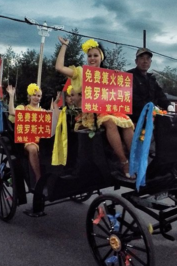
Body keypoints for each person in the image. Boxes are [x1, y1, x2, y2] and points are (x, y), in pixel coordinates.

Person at [55, 37, 135, 179]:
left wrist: (118, 78)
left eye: (95, 55)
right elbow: (59, 68)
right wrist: (64, 46)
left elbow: (118, 95)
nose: (92, 59)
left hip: (108, 110)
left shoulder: (107, 75)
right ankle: (124, 162)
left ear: (101, 57)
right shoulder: (80, 72)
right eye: (89, 56)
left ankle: (135, 158)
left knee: (128, 123)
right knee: (110, 121)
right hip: (89, 115)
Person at [7, 83, 51, 183]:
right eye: (34, 95)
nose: (36, 98)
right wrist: (11, 96)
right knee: (32, 149)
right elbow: (12, 112)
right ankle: (38, 177)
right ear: (29, 96)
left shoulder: (43, 111)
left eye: (39, 96)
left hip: (42, 140)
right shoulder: (23, 108)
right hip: (28, 141)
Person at [127, 47, 171, 123]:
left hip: (151, 119)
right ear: (136, 61)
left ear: (150, 62)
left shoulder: (152, 79)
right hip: (133, 120)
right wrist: (151, 108)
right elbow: (132, 99)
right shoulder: (128, 76)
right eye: (142, 58)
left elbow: (160, 95)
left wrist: (169, 106)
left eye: (147, 59)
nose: (145, 61)